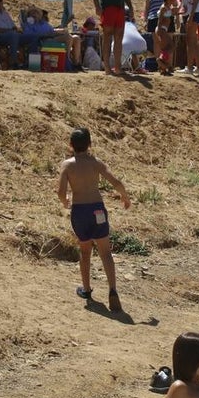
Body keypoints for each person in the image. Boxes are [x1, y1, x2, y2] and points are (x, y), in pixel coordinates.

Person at [56, 127, 131, 313]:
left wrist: (65, 202)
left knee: (85, 251)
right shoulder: (95, 163)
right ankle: (113, 289)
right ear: (90, 144)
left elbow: (61, 191)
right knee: (105, 252)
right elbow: (115, 181)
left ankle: (87, 289)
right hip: (98, 210)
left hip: (80, 211)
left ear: (70, 145)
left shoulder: (67, 165)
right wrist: (125, 197)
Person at [153, 0, 177, 75]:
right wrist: (159, 30)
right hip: (161, 29)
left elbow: (172, 13)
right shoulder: (163, 7)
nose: (172, 0)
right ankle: (160, 61)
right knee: (171, 46)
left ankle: (162, 68)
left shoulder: (168, 7)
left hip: (163, 29)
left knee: (166, 48)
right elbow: (159, 20)